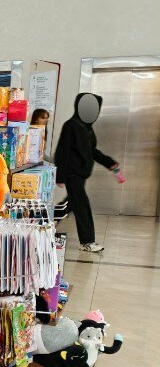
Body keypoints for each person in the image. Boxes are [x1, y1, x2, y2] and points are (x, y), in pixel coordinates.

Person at [54, 93, 118, 253]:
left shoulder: (87, 128)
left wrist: (109, 162)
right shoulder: (70, 125)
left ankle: (47, 219)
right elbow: (62, 150)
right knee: (82, 206)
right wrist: (60, 176)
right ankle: (87, 241)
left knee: (70, 203)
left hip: (81, 174)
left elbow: (92, 150)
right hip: (72, 173)